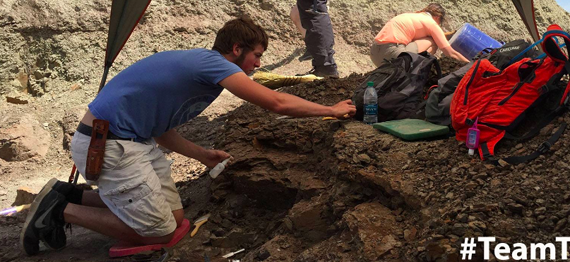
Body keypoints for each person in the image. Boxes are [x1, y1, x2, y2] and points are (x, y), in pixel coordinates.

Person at [20, 16, 355, 256]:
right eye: (256, 56)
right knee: (162, 232)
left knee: (177, 218)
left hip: (129, 140)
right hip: (108, 144)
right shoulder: (214, 65)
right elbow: (277, 102)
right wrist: (331, 110)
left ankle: (69, 194)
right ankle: (57, 211)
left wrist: (201, 155)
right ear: (236, 49)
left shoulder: (201, 67)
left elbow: (160, 130)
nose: (256, 65)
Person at [370, 3, 469, 66]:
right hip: (392, 53)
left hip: (375, 54)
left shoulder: (413, 16)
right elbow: (450, 53)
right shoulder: (431, 23)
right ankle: (419, 68)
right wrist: (471, 65)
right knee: (433, 41)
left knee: (429, 38)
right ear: (438, 17)